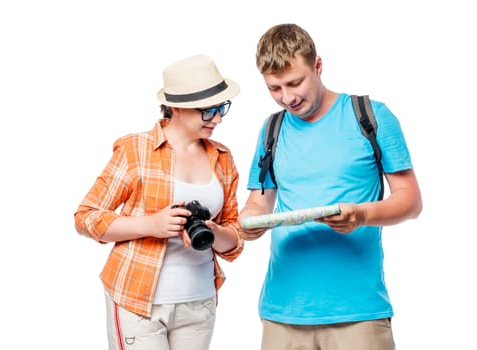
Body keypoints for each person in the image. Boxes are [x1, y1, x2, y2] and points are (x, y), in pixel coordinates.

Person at [238, 23, 423, 350]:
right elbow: (259, 203)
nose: (287, 97)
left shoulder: (370, 116)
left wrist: (360, 214)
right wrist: (249, 222)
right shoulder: (272, 129)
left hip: (358, 313)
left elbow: (411, 202)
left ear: (318, 66)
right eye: (274, 88)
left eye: (295, 82)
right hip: (282, 312)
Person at [74, 54, 244, 350]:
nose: (217, 118)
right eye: (208, 110)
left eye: (221, 108)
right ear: (177, 107)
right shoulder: (135, 150)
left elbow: (235, 236)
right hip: (137, 303)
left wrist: (213, 232)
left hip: (199, 303)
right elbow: (85, 218)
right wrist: (150, 224)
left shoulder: (223, 158)